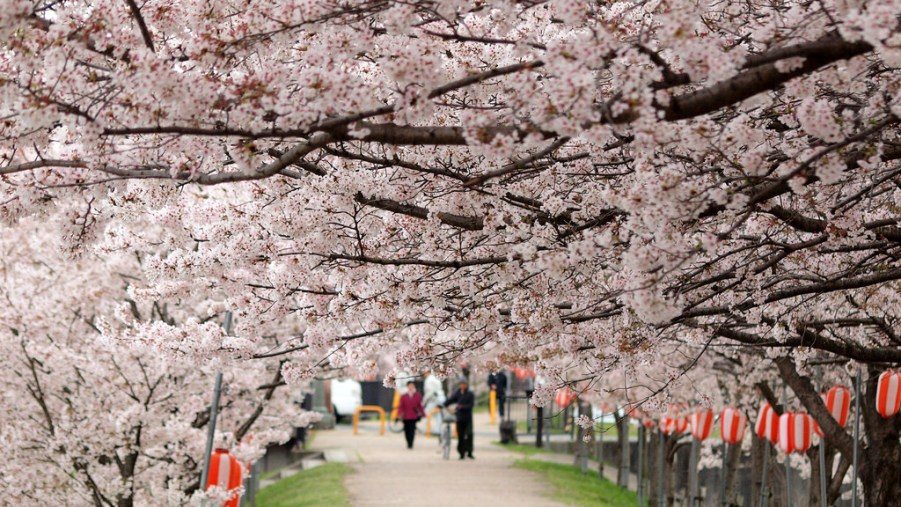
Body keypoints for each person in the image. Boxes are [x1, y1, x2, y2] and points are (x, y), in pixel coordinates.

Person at [443, 378, 475, 459]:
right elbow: (451, 400)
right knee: (460, 436)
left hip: (468, 417)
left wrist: (462, 407)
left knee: (469, 435)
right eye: (461, 384)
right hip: (459, 417)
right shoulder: (457, 393)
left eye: (464, 384)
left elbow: (471, 405)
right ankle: (461, 453)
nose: (462, 386)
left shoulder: (470, 394)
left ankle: (470, 452)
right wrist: (444, 404)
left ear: (466, 385)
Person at [395, 381, 425, 449]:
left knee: (412, 430)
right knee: (406, 430)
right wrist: (399, 414)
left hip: (413, 416)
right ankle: (408, 442)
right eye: (409, 386)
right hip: (405, 416)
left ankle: (411, 443)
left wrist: (423, 413)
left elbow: (420, 405)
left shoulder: (417, 395)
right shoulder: (403, 396)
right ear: (407, 386)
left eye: (412, 386)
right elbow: (401, 406)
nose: (411, 387)